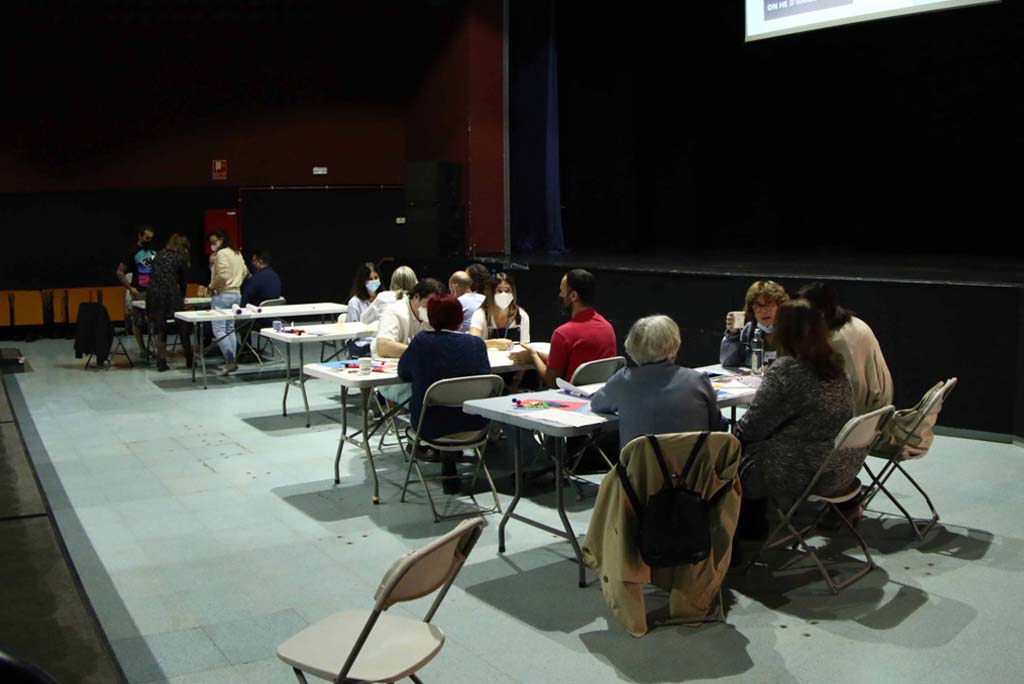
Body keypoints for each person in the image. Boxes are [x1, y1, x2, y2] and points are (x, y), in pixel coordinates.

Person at [734, 299, 857, 535]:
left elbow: (751, 428)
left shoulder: (787, 370)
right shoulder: (835, 365)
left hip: (802, 470)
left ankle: (747, 531)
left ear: (785, 332)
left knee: (734, 455)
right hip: (843, 467)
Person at [398, 294, 491, 493]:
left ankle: (444, 459)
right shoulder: (477, 345)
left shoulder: (422, 342)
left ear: (431, 319)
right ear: (460, 320)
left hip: (432, 426)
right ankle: (450, 461)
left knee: (427, 402)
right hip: (476, 425)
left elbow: (403, 372)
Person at [591, 315, 725, 452]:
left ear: (632, 347)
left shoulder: (622, 381)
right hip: (696, 471)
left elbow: (596, 404)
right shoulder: (698, 380)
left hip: (640, 471)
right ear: (675, 344)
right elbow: (717, 424)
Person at [798, 281, 893, 415]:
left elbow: (854, 386)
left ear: (820, 312)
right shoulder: (853, 323)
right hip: (875, 410)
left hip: (865, 419)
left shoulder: (840, 340)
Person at [510, 269, 616, 388]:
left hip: (571, 400)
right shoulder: (608, 328)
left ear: (573, 296)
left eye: (562, 291)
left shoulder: (563, 334)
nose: (560, 295)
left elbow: (552, 382)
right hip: (600, 399)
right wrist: (540, 355)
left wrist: (533, 356)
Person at [374, 278, 447, 407]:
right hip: (393, 376)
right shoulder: (395, 312)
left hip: (422, 373)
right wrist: (420, 351)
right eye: (429, 303)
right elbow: (382, 346)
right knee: (428, 398)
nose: (432, 308)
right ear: (416, 297)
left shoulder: (433, 314)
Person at [145, 233, 194, 372]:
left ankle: (161, 361)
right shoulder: (179, 258)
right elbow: (183, 281)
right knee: (182, 326)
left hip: (153, 294)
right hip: (170, 294)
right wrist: (182, 296)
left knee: (161, 329)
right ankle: (189, 358)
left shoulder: (159, 255)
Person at [720, 280, 789, 368]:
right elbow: (728, 363)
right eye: (758, 305)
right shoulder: (749, 330)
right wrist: (733, 334)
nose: (764, 311)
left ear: (780, 305)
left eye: (769, 304)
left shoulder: (792, 329)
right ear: (752, 309)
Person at [207, 230, 249, 376]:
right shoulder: (237, 252)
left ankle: (230, 361)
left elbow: (223, 274)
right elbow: (245, 271)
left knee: (219, 329)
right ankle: (231, 361)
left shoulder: (222, 253)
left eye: (214, 241)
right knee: (230, 328)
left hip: (222, 294)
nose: (212, 245)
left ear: (221, 239)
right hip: (236, 294)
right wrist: (236, 284)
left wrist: (212, 287)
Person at [116, 225, 157, 360]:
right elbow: (120, 272)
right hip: (138, 290)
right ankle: (142, 349)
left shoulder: (153, 251)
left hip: (153, 291)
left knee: (155, 320)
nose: (148, 240)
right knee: (138, 321)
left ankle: (156, 348)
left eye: (151, 238)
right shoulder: (132, 251)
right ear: (140, 236)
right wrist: (130, 288)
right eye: (146, 238)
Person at [469, 272, 531, 350]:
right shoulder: (480, 314)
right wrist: (494, 343)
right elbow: (472, 343)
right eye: (499, 291)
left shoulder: (522, 316)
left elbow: (525, 346)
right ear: (491, 293)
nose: (504, 294)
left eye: (507, 290)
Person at [345, 262, 380, 358]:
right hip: (360, 343)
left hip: (378, 341)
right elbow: (354, 332)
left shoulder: (382, 299)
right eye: (370, 279)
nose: (374, 281)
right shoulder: (354, 302)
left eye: (376, 278)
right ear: (363, 281)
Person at [449, 268, 486, 333]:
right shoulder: (485, 298)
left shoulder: (457, 302)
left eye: (450, 288)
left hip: (464, 340)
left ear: (454, 287)